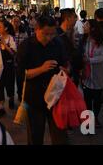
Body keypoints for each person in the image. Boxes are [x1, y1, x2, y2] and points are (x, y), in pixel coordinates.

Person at [17, 16, 69, 145]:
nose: (49, 37)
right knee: (35, 136)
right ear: (36, 29)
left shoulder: (58, 44)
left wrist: (67, 70)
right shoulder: (26, 46)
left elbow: (66, 64)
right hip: (34, 98)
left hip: (56, 97)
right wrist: (41, 69)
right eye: (45, 34)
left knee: (60, 135)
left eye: (52, 34)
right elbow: (22, 74)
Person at [81, 19, 103, 128]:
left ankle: (95, 118)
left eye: (86, 25)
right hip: (86, 76)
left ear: (92, 28)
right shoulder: (83, 40)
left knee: (97, 100)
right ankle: (88, 120)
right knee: (87, 99)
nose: (83, 26)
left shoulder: (100, 41)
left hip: (98, 75)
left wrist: (89, 60)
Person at [0, 20, 17, 116]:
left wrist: (4, 43)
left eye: (0, 27)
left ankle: (11, 98)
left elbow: (13, 53)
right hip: (0, 66)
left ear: (6, 28)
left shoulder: (11, 38)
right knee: (0, 86)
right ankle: (1, 107)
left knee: (10, 84)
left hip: (9, 65)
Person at [56, 8, 83, 86]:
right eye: (74, 17)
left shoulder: (73, 33)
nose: (76, 20)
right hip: (64, 74)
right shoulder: (57, 35)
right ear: (67, 19)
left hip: (74, 73)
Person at [12, 16, 29, 101]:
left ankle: (20, 94)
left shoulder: (24, 33)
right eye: (14, 21)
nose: (15, 23)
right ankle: (12, 97)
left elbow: (26, 45)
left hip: (20, 59)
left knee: (20, 78)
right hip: (11, 58)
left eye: (17, 21)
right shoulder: (9, 33)